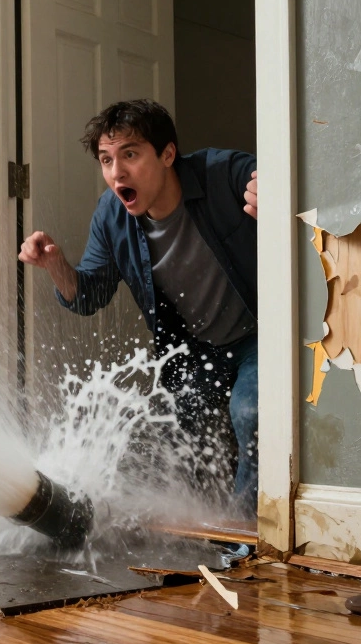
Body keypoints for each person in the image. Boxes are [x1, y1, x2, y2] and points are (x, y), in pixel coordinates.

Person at [18, 99, 259, 516]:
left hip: (260, 334)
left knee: (250, 412)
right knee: (181, 439)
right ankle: (207, 532)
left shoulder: (223, 173)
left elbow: (287, 175)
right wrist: (55, 265)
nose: (117, 172)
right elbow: (90, 296)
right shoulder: (111, 215)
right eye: (106, 160)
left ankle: (249, 537)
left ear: (167, 154)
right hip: (196, 348)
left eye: (130, 154)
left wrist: (277, 189)